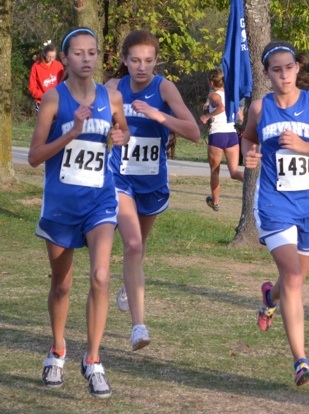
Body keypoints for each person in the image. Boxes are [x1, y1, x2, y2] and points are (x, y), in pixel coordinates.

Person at [241, 40, 309, 387]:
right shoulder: (260, 108)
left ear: (297, 68)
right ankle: (300, 360)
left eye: (289, 68)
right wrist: (250, 156)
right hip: (274, 204)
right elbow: (247, 138)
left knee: (294, 281)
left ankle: (268, 298)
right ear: (266, 73)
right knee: (291, 276)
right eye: (276, 70)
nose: (284, 75)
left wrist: (306, 146)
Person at [28, 27, 130, 398]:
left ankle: (94, 359)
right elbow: (35, 156)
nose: (86, 59)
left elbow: (123, 131)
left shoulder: (112, 98)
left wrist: (122, 137)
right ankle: (57, 350)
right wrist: (72, 133)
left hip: (100, 201)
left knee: (101, 276)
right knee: (63, 284)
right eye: (78, 53)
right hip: (60, 205)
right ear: (66, 59)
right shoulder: (54, 100)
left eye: (92, 53)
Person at [105, 30, 200, 351]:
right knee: (132, 245)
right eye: (134, 60)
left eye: (148, 60)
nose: (141, 67)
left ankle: (127, 282)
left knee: (139, 247)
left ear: (156, 61)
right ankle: (138, 327)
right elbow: (97, 124)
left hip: (153, 183)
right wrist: (111, 134)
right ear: (124, 61)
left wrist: (159, 115)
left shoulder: (164, 88)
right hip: (120, 178)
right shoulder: (113, 87)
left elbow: (194, 132)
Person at [200, 69, 244, 212]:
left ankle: (216, 202)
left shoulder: (213, 95)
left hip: (218, 134)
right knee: (234, 172)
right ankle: (255, 184)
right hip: (231, 134)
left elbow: (221, 107)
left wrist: (207, 116)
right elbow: (240, 117)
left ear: (212, 82)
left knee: (215, 171)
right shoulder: (231, 95)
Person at [28, 41, 64, 111]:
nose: (51, 59)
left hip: (57, 101)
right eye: (49, 57)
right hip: (42, 102)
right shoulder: (36, 67)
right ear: (44, 54)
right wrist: (44, 96)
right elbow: (32, 87)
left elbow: (63, 82)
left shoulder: (58, 65)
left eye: (53, 57)